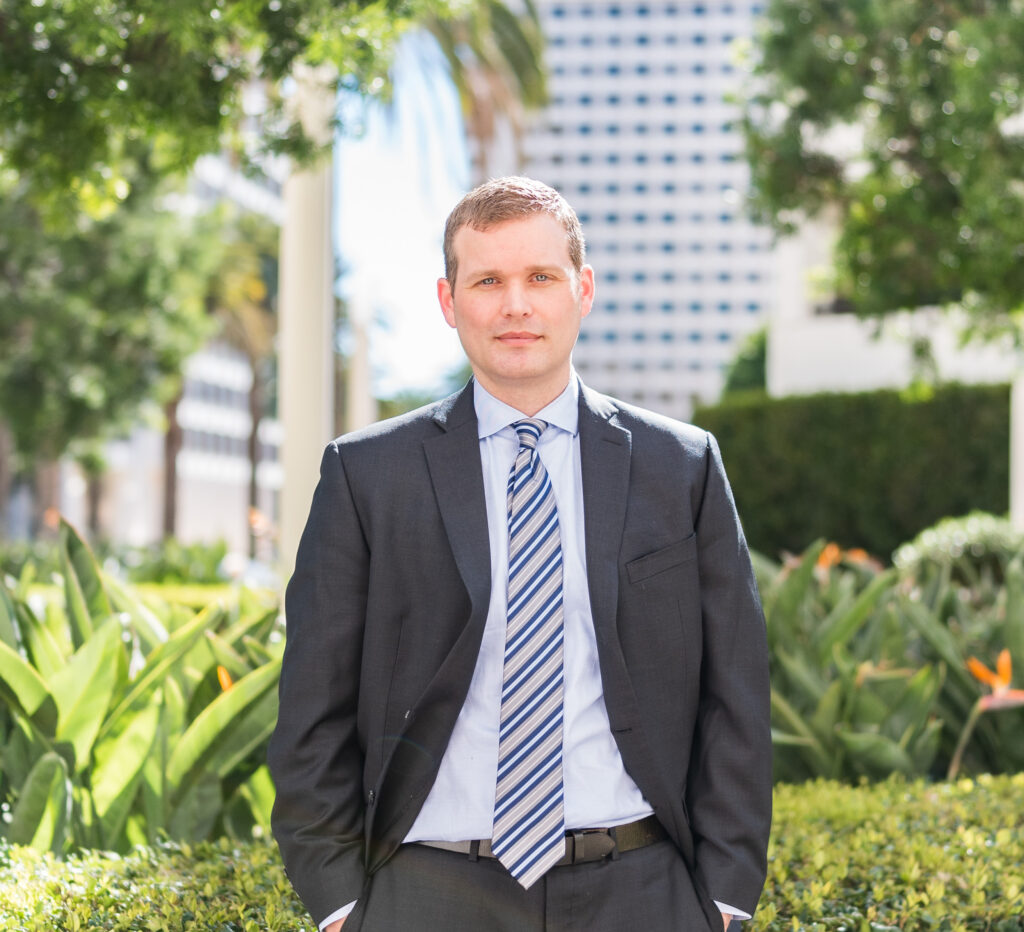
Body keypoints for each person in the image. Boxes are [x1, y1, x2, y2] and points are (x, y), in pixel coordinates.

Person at [269, 176, 771, 932]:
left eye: (541, 277)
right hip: (427, 894)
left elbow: (735, 692)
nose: (516, 305)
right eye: (488, 281)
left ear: (583, 289)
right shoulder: (366, 475)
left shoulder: (683, 467)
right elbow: (313, 706)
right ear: (449, 301)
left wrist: (725, 897)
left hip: (642, 891)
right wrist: (340, 903)